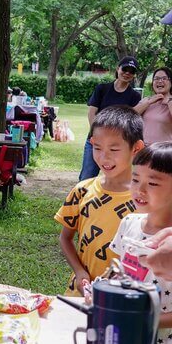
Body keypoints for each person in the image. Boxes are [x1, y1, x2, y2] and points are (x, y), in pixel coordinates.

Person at [55, 106, 144, 297]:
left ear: (136, 149)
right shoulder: (82, 191)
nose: (104, 157)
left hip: (125, 300)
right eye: (97, 148)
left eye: (113, 149)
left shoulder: (145, 200)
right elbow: (65, 238)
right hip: (80, 295)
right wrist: (79, 271)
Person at [109, 142, 172, 344]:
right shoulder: (129, 223)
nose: (140, 189)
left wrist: (147, 320)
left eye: (153, 183)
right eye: (135, 179)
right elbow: (118, 273)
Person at [79, 56, 142, 180]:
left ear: (134, 75)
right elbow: (92, 113)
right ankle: (82, 199)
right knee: (87, 176)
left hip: (117, 146)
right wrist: (96, 135)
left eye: (132, 71)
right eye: (125, 69)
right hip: (95, 141)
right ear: (118, 69)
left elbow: (131, 118)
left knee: (115, 179)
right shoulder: (102, 89)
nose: (127, 73)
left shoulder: (134, 96)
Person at [134, 67, 172, 145]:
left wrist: (169, 101)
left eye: (164, 78)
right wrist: (148, 103)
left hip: (164, 151)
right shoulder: (147, 100)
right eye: (156, 79)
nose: (160, 81)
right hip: (145, 149)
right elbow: (130, 115)